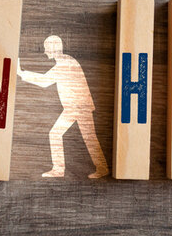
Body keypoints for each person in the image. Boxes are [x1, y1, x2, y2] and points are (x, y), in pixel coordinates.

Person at [17, 35, 109, 178]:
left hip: (79, 107)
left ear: (53, 49)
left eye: (47, 48)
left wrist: (21, 73)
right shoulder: (65, 62)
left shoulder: (65, 64)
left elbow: (44, 81)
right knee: (59, 134)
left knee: (88, 137)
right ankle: (59, 170)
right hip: (74, 107)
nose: (45, 51)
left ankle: (100, 168)